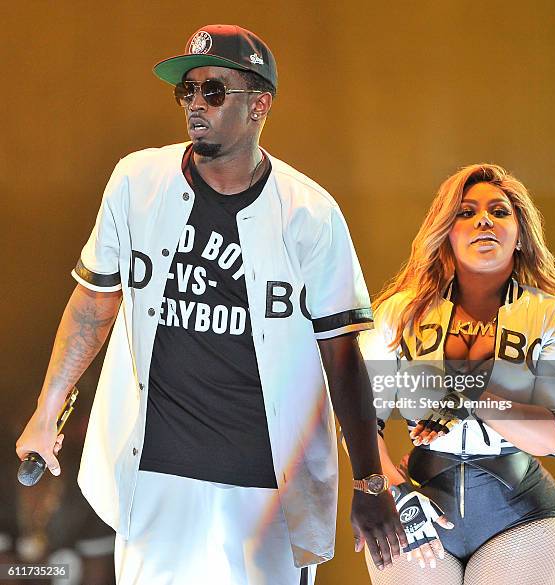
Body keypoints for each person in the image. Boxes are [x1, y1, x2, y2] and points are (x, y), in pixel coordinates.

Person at [16, 24, 406, 585]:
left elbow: (341, 355)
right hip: (156, 474)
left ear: (259, 105)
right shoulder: (136, 180)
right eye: (187, 91)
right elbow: (93, 303)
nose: (195, 103)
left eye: (214, 91)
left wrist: (369, 480)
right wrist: (46, 411)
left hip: (264, 489)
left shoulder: (310, 214)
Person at [359, 163, 555, 585]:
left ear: (521, 232)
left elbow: (554, 437)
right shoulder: (399, 313)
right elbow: (359, 421)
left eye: (499, 210)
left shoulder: (552, 316)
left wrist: (469, 397)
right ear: (446, 230)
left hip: (521, 518)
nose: (484, 220)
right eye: (466, 212)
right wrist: (392, 491)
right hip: (413, 505)